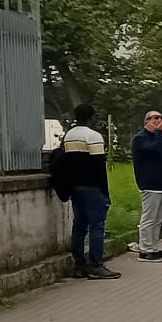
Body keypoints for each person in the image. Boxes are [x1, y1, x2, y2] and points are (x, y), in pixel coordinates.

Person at [51, 102, 120, 282]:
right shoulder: (93, 136)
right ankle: (96, 265)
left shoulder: (68, 136)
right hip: (92, 187)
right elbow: (99, 166)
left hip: (75, 186)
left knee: (79, 224)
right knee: (97, 225)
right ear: (92, 117)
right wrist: (104, 191)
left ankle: (79, 265)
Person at [130, 111, 162, 262]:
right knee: (149, 218)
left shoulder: (159, 137)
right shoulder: (140, 138)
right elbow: (152, 150)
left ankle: (154, 247)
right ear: (147, 121)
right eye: (155, 118)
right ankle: (145, 249)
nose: (159, 120)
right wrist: (158, 132)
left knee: (158, 219)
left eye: (161, 118)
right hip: (150, 183)